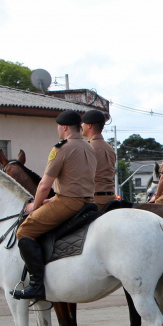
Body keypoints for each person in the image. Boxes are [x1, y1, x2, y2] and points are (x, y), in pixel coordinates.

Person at [12, 110, 97, 300]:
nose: (58, 130)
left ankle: (35, 285)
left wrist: (35, 206)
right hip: (87, 201)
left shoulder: (61, 149)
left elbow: (44, 184)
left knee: (24, 231)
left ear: (64, 127)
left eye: (58, 127)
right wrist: (53, 199)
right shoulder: (89, 148)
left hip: (68, 203)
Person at [81, 110, 118, 210]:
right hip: (111, 198)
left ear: (89, 126)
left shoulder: (87, 148)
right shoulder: (110, 148)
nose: (81, 125)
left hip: (94, 199)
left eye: (83, 123)